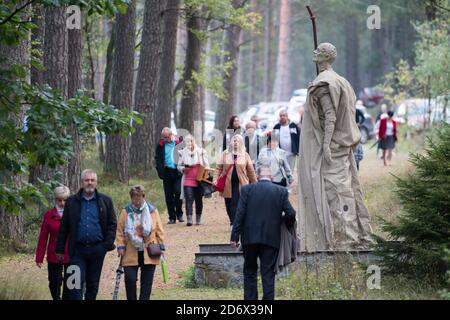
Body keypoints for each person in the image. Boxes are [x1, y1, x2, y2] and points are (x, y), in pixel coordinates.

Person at [298, 42, 373, 251]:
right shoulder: (340, 81)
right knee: (345, 189)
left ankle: (345, 241)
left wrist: (326, 145)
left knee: (337, 193)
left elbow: (330, 116)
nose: (314, 52)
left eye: (319, 51)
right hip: (342, 144)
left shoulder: (324, 83)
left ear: (325, 57)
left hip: (333, 146)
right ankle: (351, 236)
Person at [230, 166, 296, 300]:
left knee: (249, 272)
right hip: (271, 239)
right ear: (271, 177)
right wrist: (284, 224)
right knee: (268, 274)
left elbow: (239, 214)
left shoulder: (247, 189)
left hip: (249, 238)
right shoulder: (281, 191)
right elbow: (291, 213)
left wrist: (234, 236)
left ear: (257, 176)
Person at [56, 169, 117, 300]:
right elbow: (64, 226)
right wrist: (60, 249)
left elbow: (112, 224)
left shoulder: (105, 201)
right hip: (77, 250)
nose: (89, 183)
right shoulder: (72, 202)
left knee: (92, 285)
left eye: (92, 180)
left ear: (96, 182)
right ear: (82, 182)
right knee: (74, 285)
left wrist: (106, 245)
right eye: (87, 180)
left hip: (97, 250)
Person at [116, 185, 165, 300]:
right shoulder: (126, 211)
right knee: (130, 279)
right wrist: (121, 246)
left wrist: (161, 246)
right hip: (130, 250)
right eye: (134, 198)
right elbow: (120, 231)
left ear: (144, 197)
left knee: (146, 283)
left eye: (139, 198)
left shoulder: (152, 210)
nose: (137, 201)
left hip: (149, 250)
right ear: (131, 198)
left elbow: (159, 229)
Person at [35, 185, 71, 300]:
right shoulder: (49, 215)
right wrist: (39, 257)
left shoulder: (74, 214)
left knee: (71, 283)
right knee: (54, 282)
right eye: (59, 200)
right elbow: (43, 237)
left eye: (65, 200)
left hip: (71, 254)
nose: (62, 203)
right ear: (55, 199)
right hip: (54, 255)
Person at [214, 134, 257, 226]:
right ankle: (232, 220)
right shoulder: (225, 154)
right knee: (228, 204)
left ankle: (234, 223)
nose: (235, 143)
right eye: (234, 141)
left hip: (241, 183)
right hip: (227, 183)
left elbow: (250, 171)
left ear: (241, 143)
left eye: (237, 141)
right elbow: (218, 168)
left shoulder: (245, 155)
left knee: (236, 203)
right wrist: (215, 179)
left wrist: (255, 184)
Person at [177, 135, 209, 226]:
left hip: (199, 180)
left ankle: (198, 219)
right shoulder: (182, 153)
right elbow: (179, 166)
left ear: (193, 142)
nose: (189, 143)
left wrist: (204, 172)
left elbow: (207, 165)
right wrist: (183, 169)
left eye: (190, 141)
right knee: (189, 199)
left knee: (199, 200)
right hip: (188, 179)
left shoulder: (201, 152)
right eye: (187, 142)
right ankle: (189, 219)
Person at [155, 127, 184, 224]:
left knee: (178, 192)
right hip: (166, 172)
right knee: (168, 195)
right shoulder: (160, 145)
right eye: (163, 137)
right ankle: (172, 217)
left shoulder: (179, 142)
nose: (165, 139)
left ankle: (179, 214)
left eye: (166, 137)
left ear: (171, 135)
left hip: (177, 171)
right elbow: (158, 159)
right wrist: (160, 171)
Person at [273, 110, 300, 179]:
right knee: (281, 169)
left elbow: (298, 138)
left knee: (290, 169)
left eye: (284, 115)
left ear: (287, 116)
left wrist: (298, 150)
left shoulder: (293, 126)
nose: (282, 117)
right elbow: (273, 139)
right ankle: (284, 185)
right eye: (281, 116)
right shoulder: (276, 127)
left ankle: (289, 186)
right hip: (280, 153)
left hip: (291, 152)